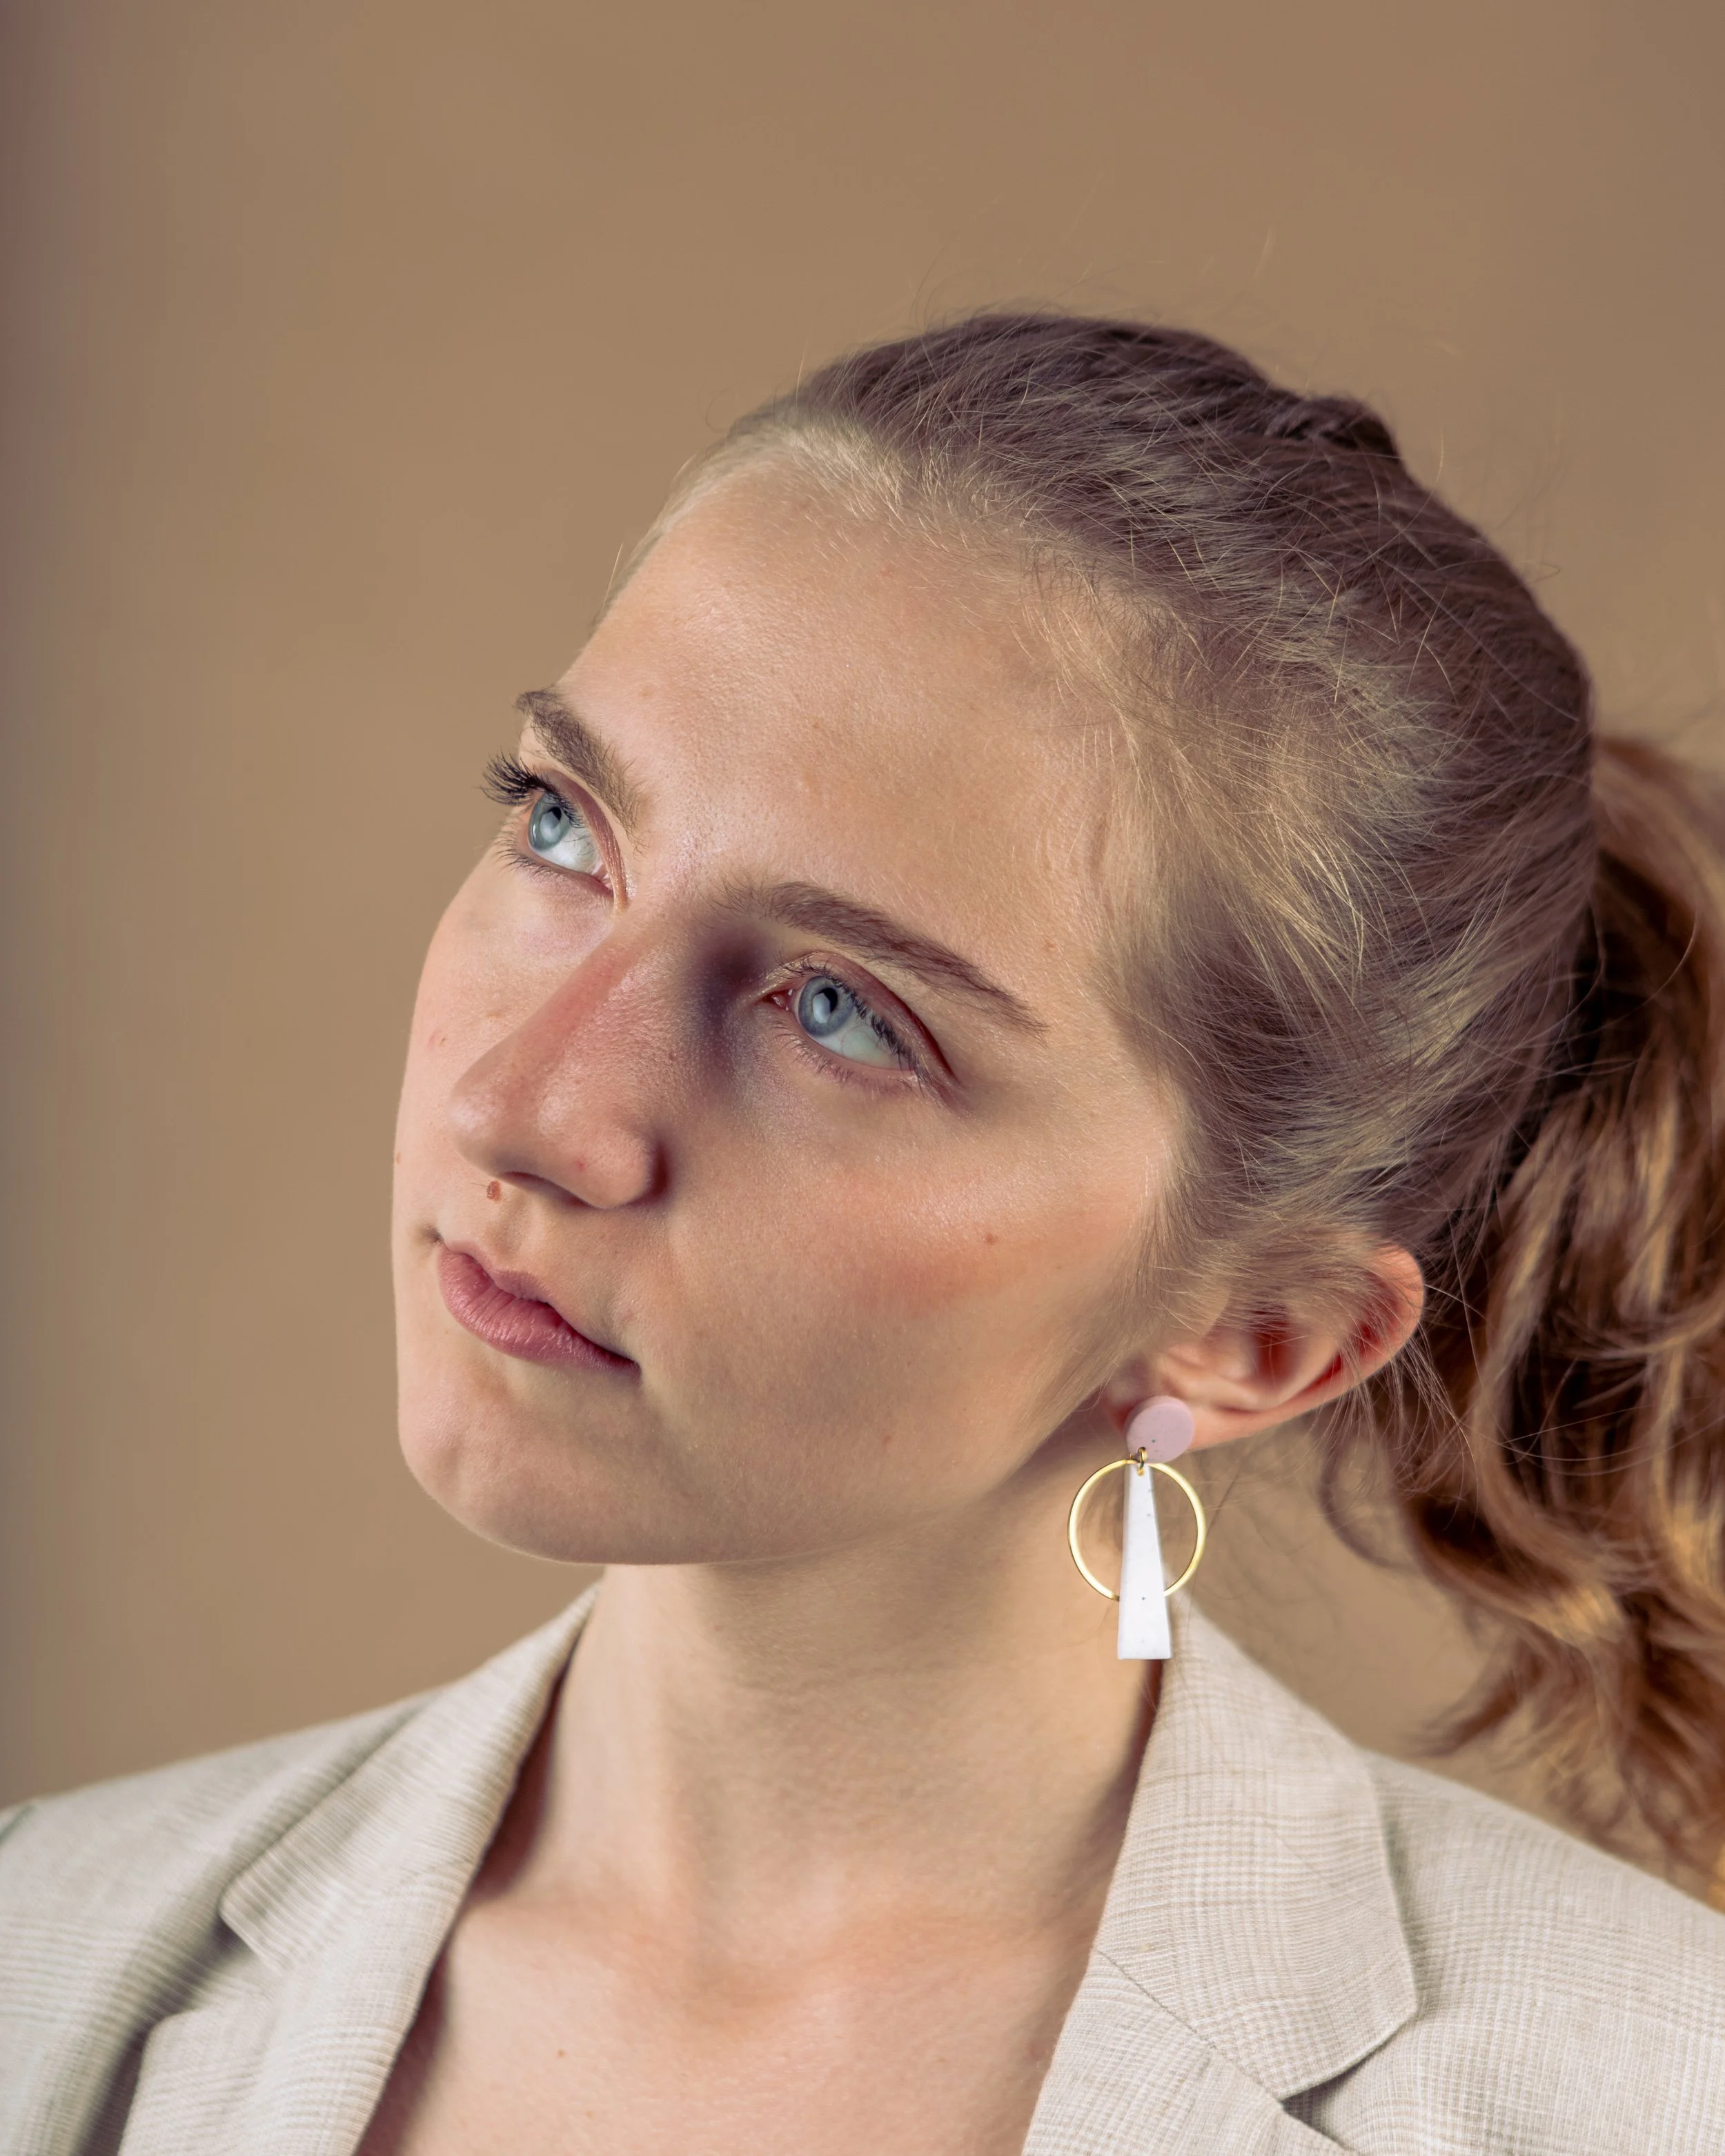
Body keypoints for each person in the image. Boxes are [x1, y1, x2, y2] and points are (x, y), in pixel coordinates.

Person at [4, 313, 1724, 2156]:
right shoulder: (49, 1957)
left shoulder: (1626, 2097)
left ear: (1255, 1340)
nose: (526, 1107)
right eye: (562, 828)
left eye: (840, 1013)